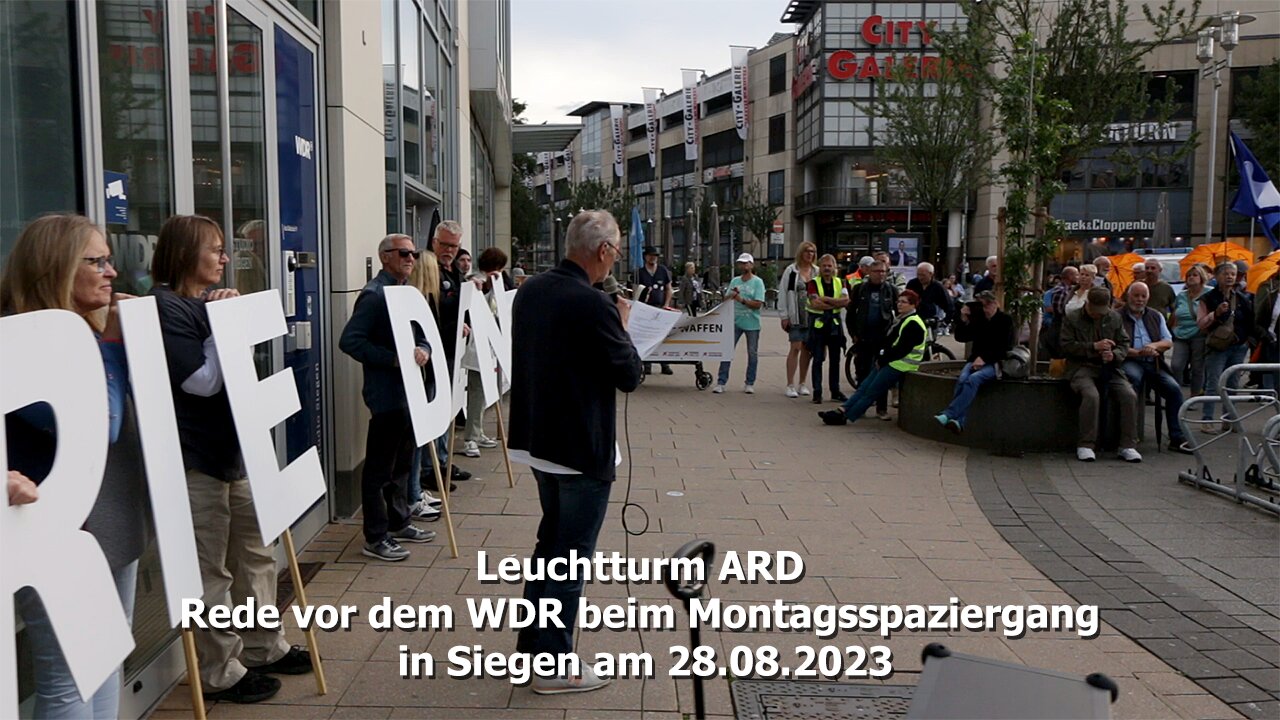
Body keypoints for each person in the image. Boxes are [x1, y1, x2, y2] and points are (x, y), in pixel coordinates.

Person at [149, 214, 311, 702]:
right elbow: (201, 381)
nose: (224, 257)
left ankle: (264, 644)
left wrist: (227, 319)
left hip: (233, 452)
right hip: (195, 456)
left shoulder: (205, 303)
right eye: (214, 249)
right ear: (183, 254)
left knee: (256, 553)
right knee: (209, 569)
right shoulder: (165, 308)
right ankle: (221, 669)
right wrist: (223, 327)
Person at [2, 213, 149, 717]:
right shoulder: (23, 344)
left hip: (113, 520)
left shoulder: (89, 334)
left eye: (110, 260)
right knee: (67, 680)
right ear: (54, 269)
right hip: (61, 532)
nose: (112, 272)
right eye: (97, 261)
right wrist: (110, 341)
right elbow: (100, 420)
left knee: (106, 661)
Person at [507, 210, 642, 695]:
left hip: (541, 443)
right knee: (569, 561)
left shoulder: (531, 290)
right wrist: (623, 325)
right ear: (603, 251)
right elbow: (629, 375)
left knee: (549, 552)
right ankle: (552, 666)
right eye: (617, 250)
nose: (616, 260)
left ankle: (532, 651)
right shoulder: (595, 304)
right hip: (581, 450)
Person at [339, 233, 438, 561]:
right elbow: (350, 341)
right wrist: (392, 358)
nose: (411, 259)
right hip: (387, 396)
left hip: (409, 393)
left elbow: (422, 334)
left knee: (402, 464)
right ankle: (376, 536)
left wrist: (422, 349)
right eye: (404, 253)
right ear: (385, 257)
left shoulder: (406, 293)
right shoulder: (374, 296)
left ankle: (399, 521)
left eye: (414, 253)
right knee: (380, 468)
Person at [818, 290, 926, 426]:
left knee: (871, 391)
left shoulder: (913, 323)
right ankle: (841, 410)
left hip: (902, 364)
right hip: (892, 362)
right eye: (898, 301)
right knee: (864, 387)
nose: (899, 304)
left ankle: (846, 416)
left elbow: (902, 349)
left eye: (904, 302)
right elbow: (890, 343)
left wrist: (883, 359)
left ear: (913, 305)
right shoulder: (903, 319)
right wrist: (881, 357)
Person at [1061, 287, 1141, 463]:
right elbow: (1066, 346)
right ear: (1087, 304)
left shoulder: (1114, 317)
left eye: (1102, 311)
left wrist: (1115, 355)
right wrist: (1093, 347)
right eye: (1095, 310)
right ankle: (1086, 444)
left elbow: (1124, 343)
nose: (1098, 314)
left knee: (1129, 395)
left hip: (1110, 367)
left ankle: (1128, 445)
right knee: (1091, 396)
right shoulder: (1072, 317)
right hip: (1081, 367)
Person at [1119, 282, 1192, 453]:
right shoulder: (1117, 316)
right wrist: (1137, 353)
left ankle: (1176, 437)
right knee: (1133, 383)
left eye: (1143, 296)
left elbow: (1167, 341)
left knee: (1174, 390)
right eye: (1136, 296)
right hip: (1129, 360)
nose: (1139, 300)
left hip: (1153, 361)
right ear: (1128, 296)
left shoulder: (1155, 315)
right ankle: (1130, 436)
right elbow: (1116, 346)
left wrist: (1153, 346)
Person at [426, 222, 473, 487]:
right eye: (444, 244)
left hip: (453, 350)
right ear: (434, 242)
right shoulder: (427, 270)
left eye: (454, 246)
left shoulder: (454, 270)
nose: (449, 250)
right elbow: (433, 311)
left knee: (447, 409)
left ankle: (442, 461)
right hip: (435, 352)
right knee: (435, 406)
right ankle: (430, 468)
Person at [934, 290, 1013, 433]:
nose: (985, 309)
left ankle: (949, 414)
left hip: (995, 362)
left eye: (987, 305)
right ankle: (958, 421)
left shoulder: (1005, 320)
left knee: (974, 379)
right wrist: (963, 319)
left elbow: (1004, 347)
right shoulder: (980, 319)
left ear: (995, 304)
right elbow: (962, 337)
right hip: (975, 359)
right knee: (963, 379)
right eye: (982, 306)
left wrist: (984, 359)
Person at [403, 253, 445, 520]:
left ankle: (415, 490)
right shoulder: (418, 301)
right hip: (419, 376)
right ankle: (413, 493)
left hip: (425, 373)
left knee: (420, 439)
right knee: (416, 441)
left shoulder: (423, 301)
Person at [1197, 261, 1255, 433]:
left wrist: (1247, 342)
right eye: (1226, 273)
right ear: (1216, 276)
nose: (1230, 277)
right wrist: (1215, 314)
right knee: (1213, 383)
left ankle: (1229, 420)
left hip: (1238, 347)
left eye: (1232, 274)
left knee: (1233, 384)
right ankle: (1207, 420)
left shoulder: (1243, 298)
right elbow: (1200, 324)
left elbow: (1250, 321)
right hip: (1217, 347)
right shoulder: (1208, 298)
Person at [847, 260, 898, 420]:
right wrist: (853, 333)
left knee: (881, 374)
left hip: (883, 337)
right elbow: (850, 314)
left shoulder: (891, 290)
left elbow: (898, 312)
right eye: (877, 271)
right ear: (869, 272)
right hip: (864, 336)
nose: (881, 274)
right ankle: (861, 407)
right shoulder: (860, 289)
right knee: (862, 371)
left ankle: (881, 409)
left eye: (883, 271)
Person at [714, 253, 767, 394]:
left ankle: (750, 382)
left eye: (746, 263)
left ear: (751, 264)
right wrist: (730, 296)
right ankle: (721, 381)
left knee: (752, 353)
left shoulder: (758, 282)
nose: (744, 266)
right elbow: (726, 299)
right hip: (734, 322)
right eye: (741, 263)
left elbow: (758, 304)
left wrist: (741, 300)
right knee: (727, 351)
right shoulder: (735, 281)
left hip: (752, 323)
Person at [804, 254, 850, 404]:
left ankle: (835, 391)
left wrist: (826, 300)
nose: (827, 269)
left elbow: (846, 301)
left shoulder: (841, 282)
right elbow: (815, 303)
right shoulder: (812, 283)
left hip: (835, 326)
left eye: (830, 266)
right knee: (817, 359)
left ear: (834, 268)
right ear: (820, 268)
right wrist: (834, 304)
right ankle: (817, 392)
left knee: (835, 360)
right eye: (824, 266)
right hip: (818, 325)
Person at [778, 241, 818, 397]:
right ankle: (790, 384)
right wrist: (784, 315)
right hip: (796, 315)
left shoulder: (817, 271)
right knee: (795, 347)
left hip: (813, 316)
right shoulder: (792, 271)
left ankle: (802, 382)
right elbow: (783, 292)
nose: (810, 254)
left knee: (807, 350)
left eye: (813, 251)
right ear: (801, 253)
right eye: (807, 251)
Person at [1169, 262, 1210, 397]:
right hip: (1181, 334)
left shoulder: (1209, 292)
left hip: (1200, 334)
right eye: (1189, 275)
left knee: (1197, 368)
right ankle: (1176, 395)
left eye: (1195, 275)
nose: (1191, 278)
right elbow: (1175, 312)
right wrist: (1173, 327)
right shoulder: (1181, 295)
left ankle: (1194, 396)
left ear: (1201, 277)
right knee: (1176, 365)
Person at [636, 245, 673, 375]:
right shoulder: (640, 272)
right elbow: (634, 291)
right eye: (650, 255)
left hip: (660, 308)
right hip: (645, 309)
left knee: (662, 337)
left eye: (655, 256)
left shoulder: (663, 271)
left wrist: (667, 304)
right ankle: (647, 364)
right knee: (646, 337)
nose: (653, 258)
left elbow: (669, 288)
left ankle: (665, 364)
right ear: (645, 257)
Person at [1255, 267, 1280, 390]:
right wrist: (1267, 337)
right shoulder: (1271, 298)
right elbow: (1259, 322)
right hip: (1272, 344)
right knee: (1272, 379)